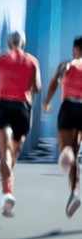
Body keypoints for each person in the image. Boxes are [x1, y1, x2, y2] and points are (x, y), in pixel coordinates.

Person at [0, 31, 41, 218]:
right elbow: (37, 88)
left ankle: (6, 191)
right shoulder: (32, 61)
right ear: (24, 43)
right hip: (23, 108)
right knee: (13, 155)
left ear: (8, 42)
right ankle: (6, 191)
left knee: (4, 153)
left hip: (3, 107)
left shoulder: (1, 58)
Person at [43, 37, 82, 218]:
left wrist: (46, 102)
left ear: (75, 49)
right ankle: (74, 192)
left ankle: (74, 192)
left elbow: (53, 84)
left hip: (69, 108)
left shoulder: (67, 64)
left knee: (66, 152)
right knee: (75, 149)